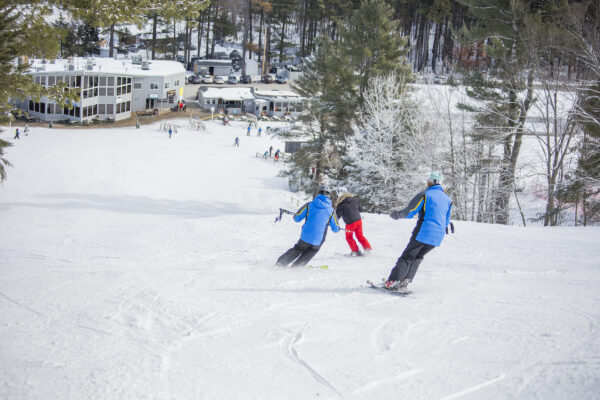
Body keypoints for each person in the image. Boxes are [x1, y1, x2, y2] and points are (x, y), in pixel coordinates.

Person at [383, 171, 452, 291]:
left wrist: (398, 214)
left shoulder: (425, 194)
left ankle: (393, 282)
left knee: (407, 256)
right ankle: (405, 281)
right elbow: (447, 220)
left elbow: (411, 211)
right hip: (438, 236)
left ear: (430, 182)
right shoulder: (447, 199)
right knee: (418, 257)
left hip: (424, 231)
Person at [275, 186, 340, 267]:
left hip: (306, 235)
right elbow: (336, 229)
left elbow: (297, 218)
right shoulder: (331, 210)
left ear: (318, 193)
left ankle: (281, 263)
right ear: (329, 196)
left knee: (298, 248)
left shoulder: (309, 205)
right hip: (318, 238)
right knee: (313, 250)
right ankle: (298, 266)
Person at [336, 187, 372, 256]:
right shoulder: (355, 199)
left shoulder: (341, 205)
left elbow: (337, 217)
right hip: (358, 221)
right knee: (360, 236)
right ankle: (368, 249)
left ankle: (355, 251)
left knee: (349, 237)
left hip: (350, 224)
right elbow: (361, 209)